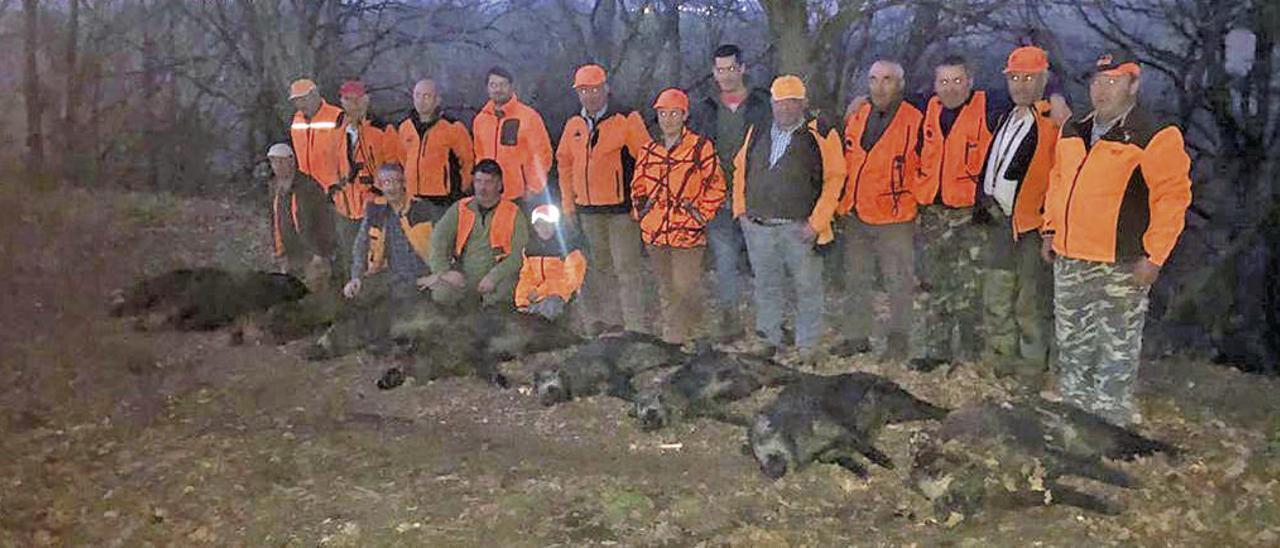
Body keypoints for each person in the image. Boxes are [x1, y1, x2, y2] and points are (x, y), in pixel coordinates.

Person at [1041, 52, 1192, 426]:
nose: (1102, 90)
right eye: (1097, 81)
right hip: (1071, 255)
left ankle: (1109, 421)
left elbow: (1172, 198)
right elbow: (1058, 183)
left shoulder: (1154, 136)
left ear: (1133, 85)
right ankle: (1075, 413)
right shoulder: (1074, 128)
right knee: (1073, 339)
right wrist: (1050, 229)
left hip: (1120, 261)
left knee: (1116, 345)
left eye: (1113, 81)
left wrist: (1155, 256)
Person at [732, 75, 846, 363]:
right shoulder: (757, 129)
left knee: (807, 288)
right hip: (758, 226)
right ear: (771, 103)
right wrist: (741, 211)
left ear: (803, 103)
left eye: (792, 102)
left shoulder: (820, 132)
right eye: (779, 102)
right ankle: (768, 339)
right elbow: (739, 168)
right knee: (766, 286)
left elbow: (835, 179)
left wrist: (817, 223)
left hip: (799, 227)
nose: (784, 109)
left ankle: (807, 347)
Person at [971, 46, 1060, 381]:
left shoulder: (1051, 123)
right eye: (1015, 78)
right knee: (997, 292)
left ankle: (1031, 367)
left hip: (1031, 225)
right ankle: (1001, 359)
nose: (1021, 85)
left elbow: (1060, 177)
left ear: (1043, 80)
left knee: (1029, 300)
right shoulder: (1008, 116)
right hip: (1000, 221)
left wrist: (1049, 227)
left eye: (1029, 78)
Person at [834, 60, 923, 362]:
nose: (879, 86)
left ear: (900, 84)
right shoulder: (858, 114)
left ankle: (898, 342)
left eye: (887, 80)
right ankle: (855, 337)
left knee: (898, 281)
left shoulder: (917, 120)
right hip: (857, 211)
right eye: (873, 79)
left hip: (894, 216)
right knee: (856, 278)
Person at [555, 64, 653, 334]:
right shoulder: (574, 124)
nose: (590, 95)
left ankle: (636, 327)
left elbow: (647, 161)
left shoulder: (626, 118)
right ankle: (612, 322)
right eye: (584, 90)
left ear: (606, 88)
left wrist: (640, 203)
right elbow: (563, 162)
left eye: (595, 89)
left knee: (627, 269)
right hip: (587, 210)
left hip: (621, 210)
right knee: (600, 268)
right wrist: (568, 204)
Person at [307, 162, 436, 360]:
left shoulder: (423, 209)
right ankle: (336, 336)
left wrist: (437, 276)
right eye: (386, 182)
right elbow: (361, 244)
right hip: (389, 275)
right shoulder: (376, 209)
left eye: (395, 181)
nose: (391, 187)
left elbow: (445, 245)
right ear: (379, 185)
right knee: (356, 295)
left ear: (404, 182)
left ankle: (339, 343)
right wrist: (356, 277)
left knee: (388, 312)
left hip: (419, 279)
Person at [688, 44, 772, 340]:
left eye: (731, 69)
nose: (725, 75)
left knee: (765, 265)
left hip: (757, 196)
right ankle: (730, 321)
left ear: (742, 68)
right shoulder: (705, 108)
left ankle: (770, 324)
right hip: (719, 199)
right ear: (713, 72)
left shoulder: (764, 105)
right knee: (725, 265)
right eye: (720, 70)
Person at [632, 88, 727, 345]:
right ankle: (674, 337)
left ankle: (693, 324)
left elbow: (717, 185)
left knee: (685, 286)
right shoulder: (649, 150)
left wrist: (700, 215)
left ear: (684, 115)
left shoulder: (700, 148)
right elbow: (638, 186)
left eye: (674, 113)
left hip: (688, 230)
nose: (668, 119)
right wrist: (643, 214)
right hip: (656, 231)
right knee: (666, 287)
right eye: (663, 113)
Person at [423, 159, 529, 308]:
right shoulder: (460, 207)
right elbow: (438, 240)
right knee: (441, 294)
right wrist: (444, 271)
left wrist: (494, 276)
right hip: (463, 274)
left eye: (488, 182)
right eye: (478, 181)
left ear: (499, 185)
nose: (482, 187)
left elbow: (520, 254)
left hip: (496, 276)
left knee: (506, 293)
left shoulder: (513, 213)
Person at [335, 79, 399, 273]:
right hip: (344, 206)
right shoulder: (336, 130)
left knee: (377, 259)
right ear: (341, 102)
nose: (353, 104)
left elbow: (395, 167)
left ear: (366, 100)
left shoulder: (382, 130)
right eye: (348, 99)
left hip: (375, 204)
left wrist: (383, 193)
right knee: (350, 259)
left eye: (357, 99)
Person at [472, 67, 554, 204]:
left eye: (503, 84)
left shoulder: (528, 117)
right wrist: (480, 185)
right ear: (487, 88)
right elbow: (479, 156)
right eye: (493, 85)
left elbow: (542, 154)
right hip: (488, 196)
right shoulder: (480, 120)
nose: (498, 89)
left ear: (511, 87)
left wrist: (534, 188)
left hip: (520, 196)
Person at [396, 78, 475, 206]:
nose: (421, 101)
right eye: (418, 95)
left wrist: (460, 189)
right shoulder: (405, 127)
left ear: (437, 99)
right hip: (412, 198)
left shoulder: (453, 127)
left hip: (443, 199)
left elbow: (468, 161)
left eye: (427, 96)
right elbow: (402, 159)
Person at [265, 143, 334, 287]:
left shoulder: (309, 187)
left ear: (292, 161)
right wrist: (278, 251)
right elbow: (274, 221)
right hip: (289, 254)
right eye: (274, 161)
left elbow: (324, 221)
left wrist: (320, 253)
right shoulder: (274, 187)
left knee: (315, 297)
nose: (278, 166)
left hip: (312, 253)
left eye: (282, 161)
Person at [515, 204, 586, 321]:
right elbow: (526, 276)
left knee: (547, 312)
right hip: (536, 297)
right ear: (535, 227)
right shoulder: (530, 249)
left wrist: (541, 291)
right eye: (540, 224)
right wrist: (522, 301)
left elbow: (571, 281)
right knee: (521, 320)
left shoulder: (569, 248)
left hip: (561, 297)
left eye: (549, 224)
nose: (544, 228)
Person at [288, 78, 346, 194]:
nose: (300, 104)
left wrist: (342, 184)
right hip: (307, 190)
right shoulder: (296, 120)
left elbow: (347, 155)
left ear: (315, 95)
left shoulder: (337, 116)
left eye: (304, 99)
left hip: (334, 189)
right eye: (296, 101)